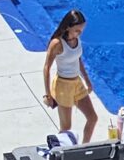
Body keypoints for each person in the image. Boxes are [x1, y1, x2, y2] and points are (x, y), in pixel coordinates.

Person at [40, 9, 99, 141]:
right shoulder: (57, 43)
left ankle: (84, 149)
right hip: (63, 86)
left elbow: (78, 60)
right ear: (68, 27)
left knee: (92, 118)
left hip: (77, 83)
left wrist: (87, 81)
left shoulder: (77, 40)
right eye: (77, 30)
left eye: (81, 30)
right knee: (66, 128)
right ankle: (60, 154)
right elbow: (46, 68)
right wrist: (48, 94)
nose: (80, 33)